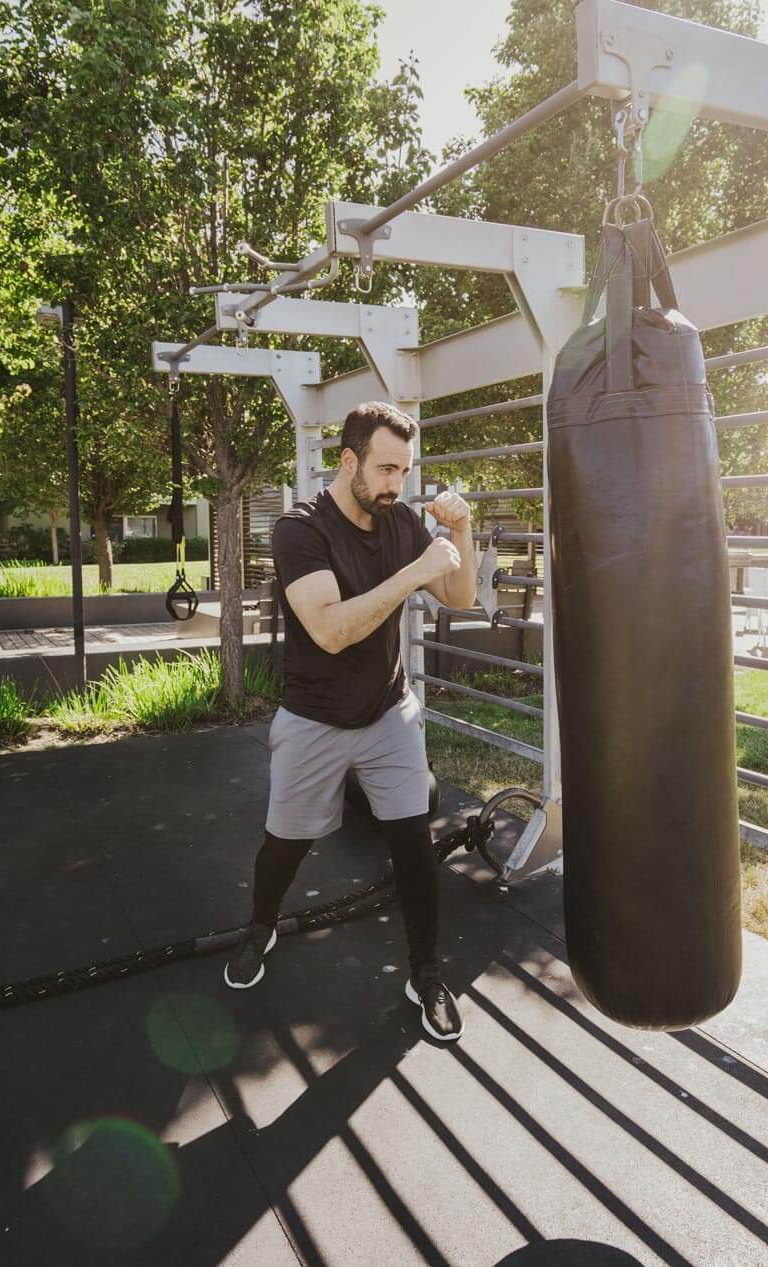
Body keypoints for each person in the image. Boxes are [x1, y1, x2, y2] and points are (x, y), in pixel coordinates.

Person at [224, 401, 478, 1041]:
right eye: (385, 468)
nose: (396, 484)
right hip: (314, 716)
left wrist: (463, 536)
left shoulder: (398, 522)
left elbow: (460, 596)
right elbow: (332, 632)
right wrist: (415, 572)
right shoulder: (299, 530)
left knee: (413, 844)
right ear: (348, 460)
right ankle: (261, 927)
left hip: (388, 710)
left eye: (404, 470)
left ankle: (425, 973)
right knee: (287, 840)